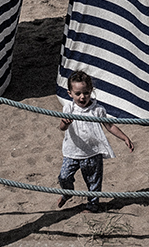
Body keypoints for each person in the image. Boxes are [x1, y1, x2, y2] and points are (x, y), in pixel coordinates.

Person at [57, 70, 133, 207]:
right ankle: (67, 192)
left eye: (86, 93)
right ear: (70, 93)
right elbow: (62, 128)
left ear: (91, 91)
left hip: (92, 152)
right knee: (64, 176)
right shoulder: (68, 108)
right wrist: (65, 122)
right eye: (78, 93)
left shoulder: (97, 110)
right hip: (72, 151)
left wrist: (124, 138)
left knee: (93, 181)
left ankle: (92, 206)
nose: (82, 97)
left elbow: (109, 126)